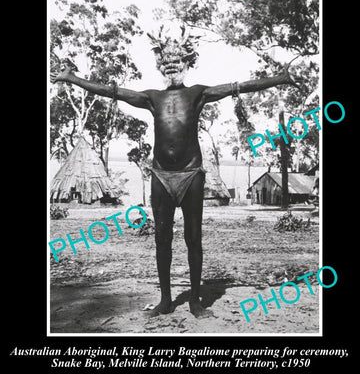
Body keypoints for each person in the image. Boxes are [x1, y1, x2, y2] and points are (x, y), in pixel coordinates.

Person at [51, 34, 300, 318]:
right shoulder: (151, 98)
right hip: (161, 176)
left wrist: (278, 79)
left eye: (176, 61)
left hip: (191, 174)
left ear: (185, 64)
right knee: (161, 239)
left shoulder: (197, 93)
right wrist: (72, 79)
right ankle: (166, 300)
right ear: (161, 67)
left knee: (194, 238)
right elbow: (112, 91)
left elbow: (239, 86)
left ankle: (195, 301)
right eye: (167, 63)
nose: (172, 66)